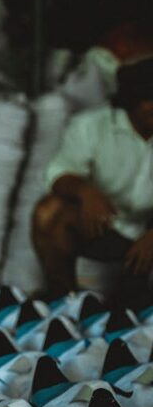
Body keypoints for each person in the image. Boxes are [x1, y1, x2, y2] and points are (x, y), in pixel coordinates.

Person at [33, 57, 153, 305]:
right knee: (49, 213)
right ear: (132, 101)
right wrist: (86, 192)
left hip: (148, 234)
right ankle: (67, 303)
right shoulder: (92, 126)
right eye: (148, 100)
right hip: (107, 229)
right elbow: (59, 173)